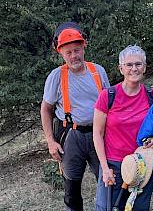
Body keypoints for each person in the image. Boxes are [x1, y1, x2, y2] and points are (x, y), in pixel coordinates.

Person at [42, 23, 111, 211]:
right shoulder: (56, 76)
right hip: (71, 137)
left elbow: (110, 105)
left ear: (84, 47)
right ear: (61, 54)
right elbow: (46, 109)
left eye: (77, 50)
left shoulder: (98, 71)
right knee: (72, 189)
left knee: (107, 181)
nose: (74, 56)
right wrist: (51, 141)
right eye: (69, 52)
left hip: (99, 135)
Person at [92, 45, 153, 211]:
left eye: (138, 64)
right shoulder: (108, 96)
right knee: (107, 207)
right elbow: (97, 134)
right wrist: (104, 168)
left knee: (138, 208)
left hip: (142, 165)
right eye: (129, 65)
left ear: (145, 67)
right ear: (121, 68)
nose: (134, 68)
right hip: (114, 165)